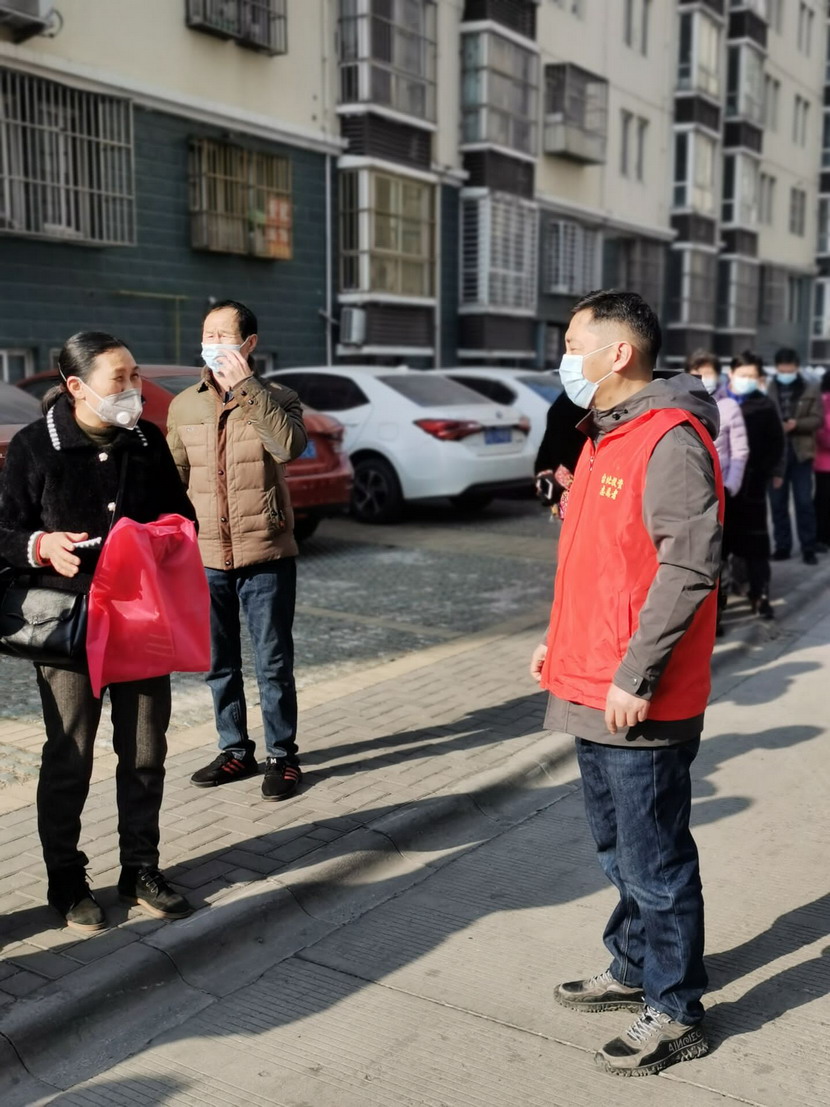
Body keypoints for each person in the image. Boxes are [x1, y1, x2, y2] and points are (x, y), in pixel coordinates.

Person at [530, 290, 722, 1077]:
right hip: (588, 680)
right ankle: (636, 962)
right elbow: (600, 563)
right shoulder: (604, 435)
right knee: (617, 847)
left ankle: (677, 1008)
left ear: (619, 353)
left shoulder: (668, 438)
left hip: (637, 695)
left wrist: (637, 672)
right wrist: (556, 639)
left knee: (655, 859)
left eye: (573, 342)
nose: (563, 357)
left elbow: (689, 566)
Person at [0, 332, 197, 932]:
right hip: (68, 625)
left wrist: (157, 537)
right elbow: (4, 532)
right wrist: (39, 545)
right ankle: (65, 878)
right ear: (76, 386)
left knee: (145, 750)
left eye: (136, 375)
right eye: (121, 378)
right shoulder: (35, 446)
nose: (134, 387)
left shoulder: (146, 439)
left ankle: (140, 868)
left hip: (140, 619)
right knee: (70, 755)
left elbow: (182, 516)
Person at [166, 300, 308, 801]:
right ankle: (234, 750)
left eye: (222, 335)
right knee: (219, 663)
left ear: (248, 343)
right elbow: (174, 480)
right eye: (207, 333)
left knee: (273, 664)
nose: (212, 343)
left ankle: (282, 756)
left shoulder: (281, 398)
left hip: (266, 551)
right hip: (205, 556)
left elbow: (288, 447)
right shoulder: (184, 405)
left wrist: (248, 388)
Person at [685, 351, 749, 633]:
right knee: (691, 553)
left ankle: (715, 614)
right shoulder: (681, 402)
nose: (704, 377)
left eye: (709, 371)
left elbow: (739, 451)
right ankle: (694, 615)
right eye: (698, 371)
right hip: (689, 489)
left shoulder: (729, 407)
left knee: (717, 554)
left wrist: (731, 484)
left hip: (720, 490)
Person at [722, 352, 785, 619]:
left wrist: (767, 471)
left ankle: (759, 595)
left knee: (756, 546)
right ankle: (717, 605)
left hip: (752, 486)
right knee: (720, 546)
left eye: (752, 376)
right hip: (721, 485)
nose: (747, 380)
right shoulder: (716, 400)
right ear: (731, 374)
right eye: (742, 375)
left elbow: (777, 442)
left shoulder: (764, 405)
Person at [766, 347, 822, 564]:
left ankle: (808, 547)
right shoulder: (769, 388)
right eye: (782, 370)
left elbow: (817, 419)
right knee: (777, 503)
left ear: (796, 368)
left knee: (804, 502)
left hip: (801, 454)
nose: (785, 374)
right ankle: (782, 546)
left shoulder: (810, 388)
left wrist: (796, 424)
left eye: (789, 370)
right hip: (776, 455)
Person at [813, 369, 830, 549]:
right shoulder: (823, 401)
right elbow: (820, 430)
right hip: (824, 463)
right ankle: (821, 536)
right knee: (823, 501)